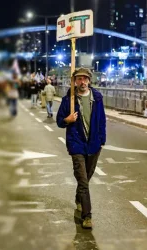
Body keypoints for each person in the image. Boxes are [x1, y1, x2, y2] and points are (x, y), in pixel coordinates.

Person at [56, 67, 106, 229]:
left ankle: (79, 199)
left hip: (94, 145)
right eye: (79, 79)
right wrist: (67, 119)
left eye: (85, 78)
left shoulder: (97, 97)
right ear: (75, 81)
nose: (82, 81)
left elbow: (102, 121)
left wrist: (101, 140)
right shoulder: (68, 100)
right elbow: (59, 121)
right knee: (83, 181)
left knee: (87, 176)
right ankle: (87, 215)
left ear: (89, 80)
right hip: (76, 144)